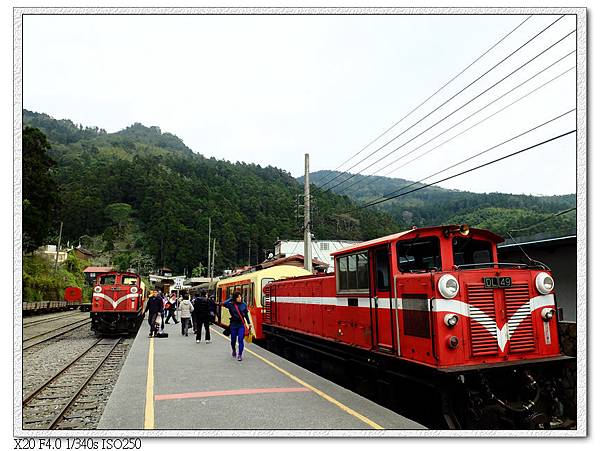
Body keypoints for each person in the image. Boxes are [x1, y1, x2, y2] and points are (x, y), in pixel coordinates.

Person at [223, 291, 252, 361]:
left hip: (241, 325)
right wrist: (231, 298)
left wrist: (249, 323)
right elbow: (224, 303)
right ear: (235, 298)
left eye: (240, 297)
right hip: (233, 325)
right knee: (233, 340)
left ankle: (240, 355)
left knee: (240, 340)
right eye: (238, 297)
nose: (240, 298)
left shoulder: (244, 305)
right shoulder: (231, 304)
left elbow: (246, 315)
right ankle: (234, 350)